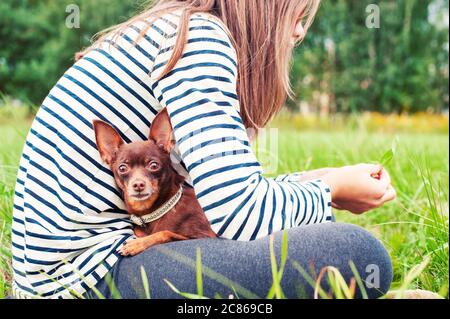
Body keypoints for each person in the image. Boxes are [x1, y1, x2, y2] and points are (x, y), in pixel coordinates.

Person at [11, 0, 395, 299]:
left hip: (57, 277)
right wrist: (330, 192)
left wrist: (320, 180)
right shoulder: (200, 41)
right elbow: (241, 216)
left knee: (318, 234)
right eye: (296, 14)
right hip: (89, 279)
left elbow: (218, 201)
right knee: (354, 253)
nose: (298, 32)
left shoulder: (167, 29)